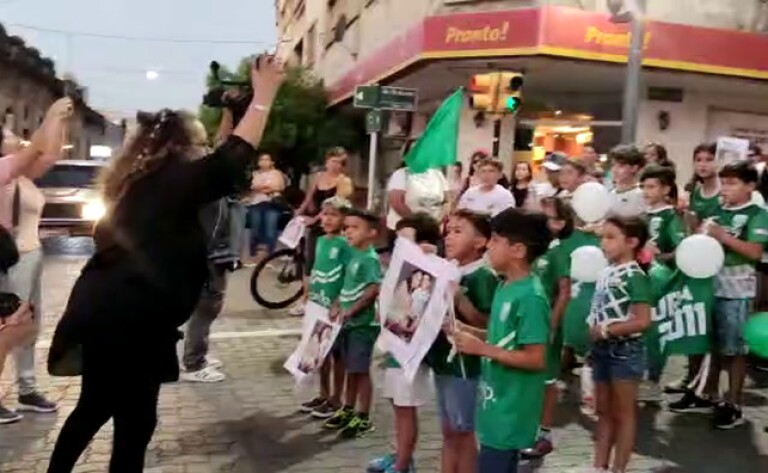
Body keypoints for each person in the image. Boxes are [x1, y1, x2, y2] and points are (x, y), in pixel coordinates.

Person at [45, 54, 285, 473]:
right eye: (193, 142)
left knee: (99, 409)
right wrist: (264, 96)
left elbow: (214, 166)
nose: (199, 148)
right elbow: (229, 159)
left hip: (109, 313)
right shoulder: (170, 182)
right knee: (130, 419)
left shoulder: (139, 183)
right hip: (131, 321)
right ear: (179, 145)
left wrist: (231, 111)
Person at [452, 208, 551, 473]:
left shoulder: (530, 297)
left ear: (518, 250)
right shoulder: (504, 285)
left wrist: (481, 348)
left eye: (495, 241)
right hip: (494, 405)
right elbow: (501, 340)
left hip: (512, 411)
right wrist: (464, 330)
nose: (488, 247)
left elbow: (536, 358)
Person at [0, 97, 74, 424]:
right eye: (8, 132)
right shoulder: (4, 171)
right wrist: (51, 115)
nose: (14, 134)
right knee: (8, 326)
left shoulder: (21, 175)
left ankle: (27, 389)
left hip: (31, 254)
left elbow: (51, 153)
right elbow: (36, 148)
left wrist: (60, 121)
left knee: (28, 326)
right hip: (9, 259)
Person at [424, 210, 496, 473]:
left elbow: (488, 325)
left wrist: (460, 299)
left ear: (480, 242)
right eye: (448, 231)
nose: (449, 237)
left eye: (458, 231)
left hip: (465, 368)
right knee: (448, 431)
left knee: (463, 432)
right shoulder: (448, 270)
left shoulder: (482, 277)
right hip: (443, 363)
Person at [369, 213, 441, 473]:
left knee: (405, 408)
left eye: (406, 239)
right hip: (391, 343)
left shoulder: (432, 269)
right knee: (395, 405)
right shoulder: (399, 269)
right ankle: (398, 453)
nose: (400, 245)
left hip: (411, 351)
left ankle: (403, 464)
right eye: (397, 239)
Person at [700, 161, 768, 429]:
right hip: (711, 285)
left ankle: (735, 402)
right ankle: (710, 394)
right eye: (723, 182)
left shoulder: (757, 214)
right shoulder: (717, 210)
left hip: (738, 289)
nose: (725, 188)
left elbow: (753, 252)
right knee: (714, 345)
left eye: (732, 183)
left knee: (735, 349)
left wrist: (722, 237)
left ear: (750, 186)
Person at [587, 216, 652, 473]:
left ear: (632, 242)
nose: (604, 243)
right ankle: (598, 465)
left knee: (624, 414)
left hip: (625, 351)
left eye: (611, 237)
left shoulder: (635, 276)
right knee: (603, 411)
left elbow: (643, 320)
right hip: (601, 350)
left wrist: (606, 330)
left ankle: (618, 468)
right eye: (603, 236)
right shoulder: (605, 272)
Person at [522, 197, 576, 460]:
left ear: (560, 223)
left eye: (548, 216)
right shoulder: (536, 250)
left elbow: (564, 292)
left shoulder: (558, 253)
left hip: (546, 327)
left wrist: (552, 326)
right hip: (529, 324)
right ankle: (526, 430)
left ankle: (543, 434)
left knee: (546, 380)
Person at [323, 208, 382, 439]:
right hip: (346, 323)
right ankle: (347, 409)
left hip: (362, 325)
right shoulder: (352, 254)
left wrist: (351, 311)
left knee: (361, 370)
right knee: (349, 367)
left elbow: (372, 289)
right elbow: (347, 286)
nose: (348, 232)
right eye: (346, 227)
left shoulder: (369, 259)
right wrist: (337, 304)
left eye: (354, 227)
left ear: (371, 233)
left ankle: (363, 415)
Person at [179, 181, 245, 383]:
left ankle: (195, 356)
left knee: (206, 306)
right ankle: (194, 362)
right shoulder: (214, 200)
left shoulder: (217, 197)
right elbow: (212, 233)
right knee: (207, 306)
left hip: (210, 258)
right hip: (210, 259)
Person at [298, 196, 352, 419]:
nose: (328, 219)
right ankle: (323, 393)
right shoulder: (320, 241)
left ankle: (337, 398)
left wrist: (339, 301)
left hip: (334, 307)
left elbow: (349, 275)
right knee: (319, 352)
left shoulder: (345, 244)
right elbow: (315, 270)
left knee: (337, 354)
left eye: (334, 215)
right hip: (318, 304)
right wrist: (307, 293)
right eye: (325, 214)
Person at [638, 165, 686, 403]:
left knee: (655, 330)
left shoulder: (671, 217)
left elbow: (681, 250)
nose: (646, 191)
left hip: (660, 282)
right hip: (638, 279)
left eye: (652, 186)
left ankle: (653, 379)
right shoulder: (642, 216)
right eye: (644, 186)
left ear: (666, 189)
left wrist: (657, 257)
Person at [292, 147, 354, 315]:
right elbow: (309, 198)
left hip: (334, 224)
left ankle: (331, 298)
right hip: (316, 222)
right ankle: (305, 299)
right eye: (332, 160)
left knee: (332, 263)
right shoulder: (319, 177)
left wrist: (317, 218)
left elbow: (336, 205)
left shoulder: (344, 181)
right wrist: (299, 212)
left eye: (338, 162)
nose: (334, 165)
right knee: (310, 262)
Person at [244, 152, 285, 263]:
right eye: (262, 159)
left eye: (267, 159)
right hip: (256, 204)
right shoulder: (255, 174)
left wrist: (261, 188)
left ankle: (269, 256)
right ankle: (253, 255)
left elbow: (278, 186)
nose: (264, 162)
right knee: (255, 230)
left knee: (270, 230)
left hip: (272, 204)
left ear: (272, 162)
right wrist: (266, 187)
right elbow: (252, 186)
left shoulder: (277, 173)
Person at [608, 145, 646, 218]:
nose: (615, 170)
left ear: (634, 168)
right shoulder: (609, 194)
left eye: (621, 166)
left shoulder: (642, 195)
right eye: (613, 165)